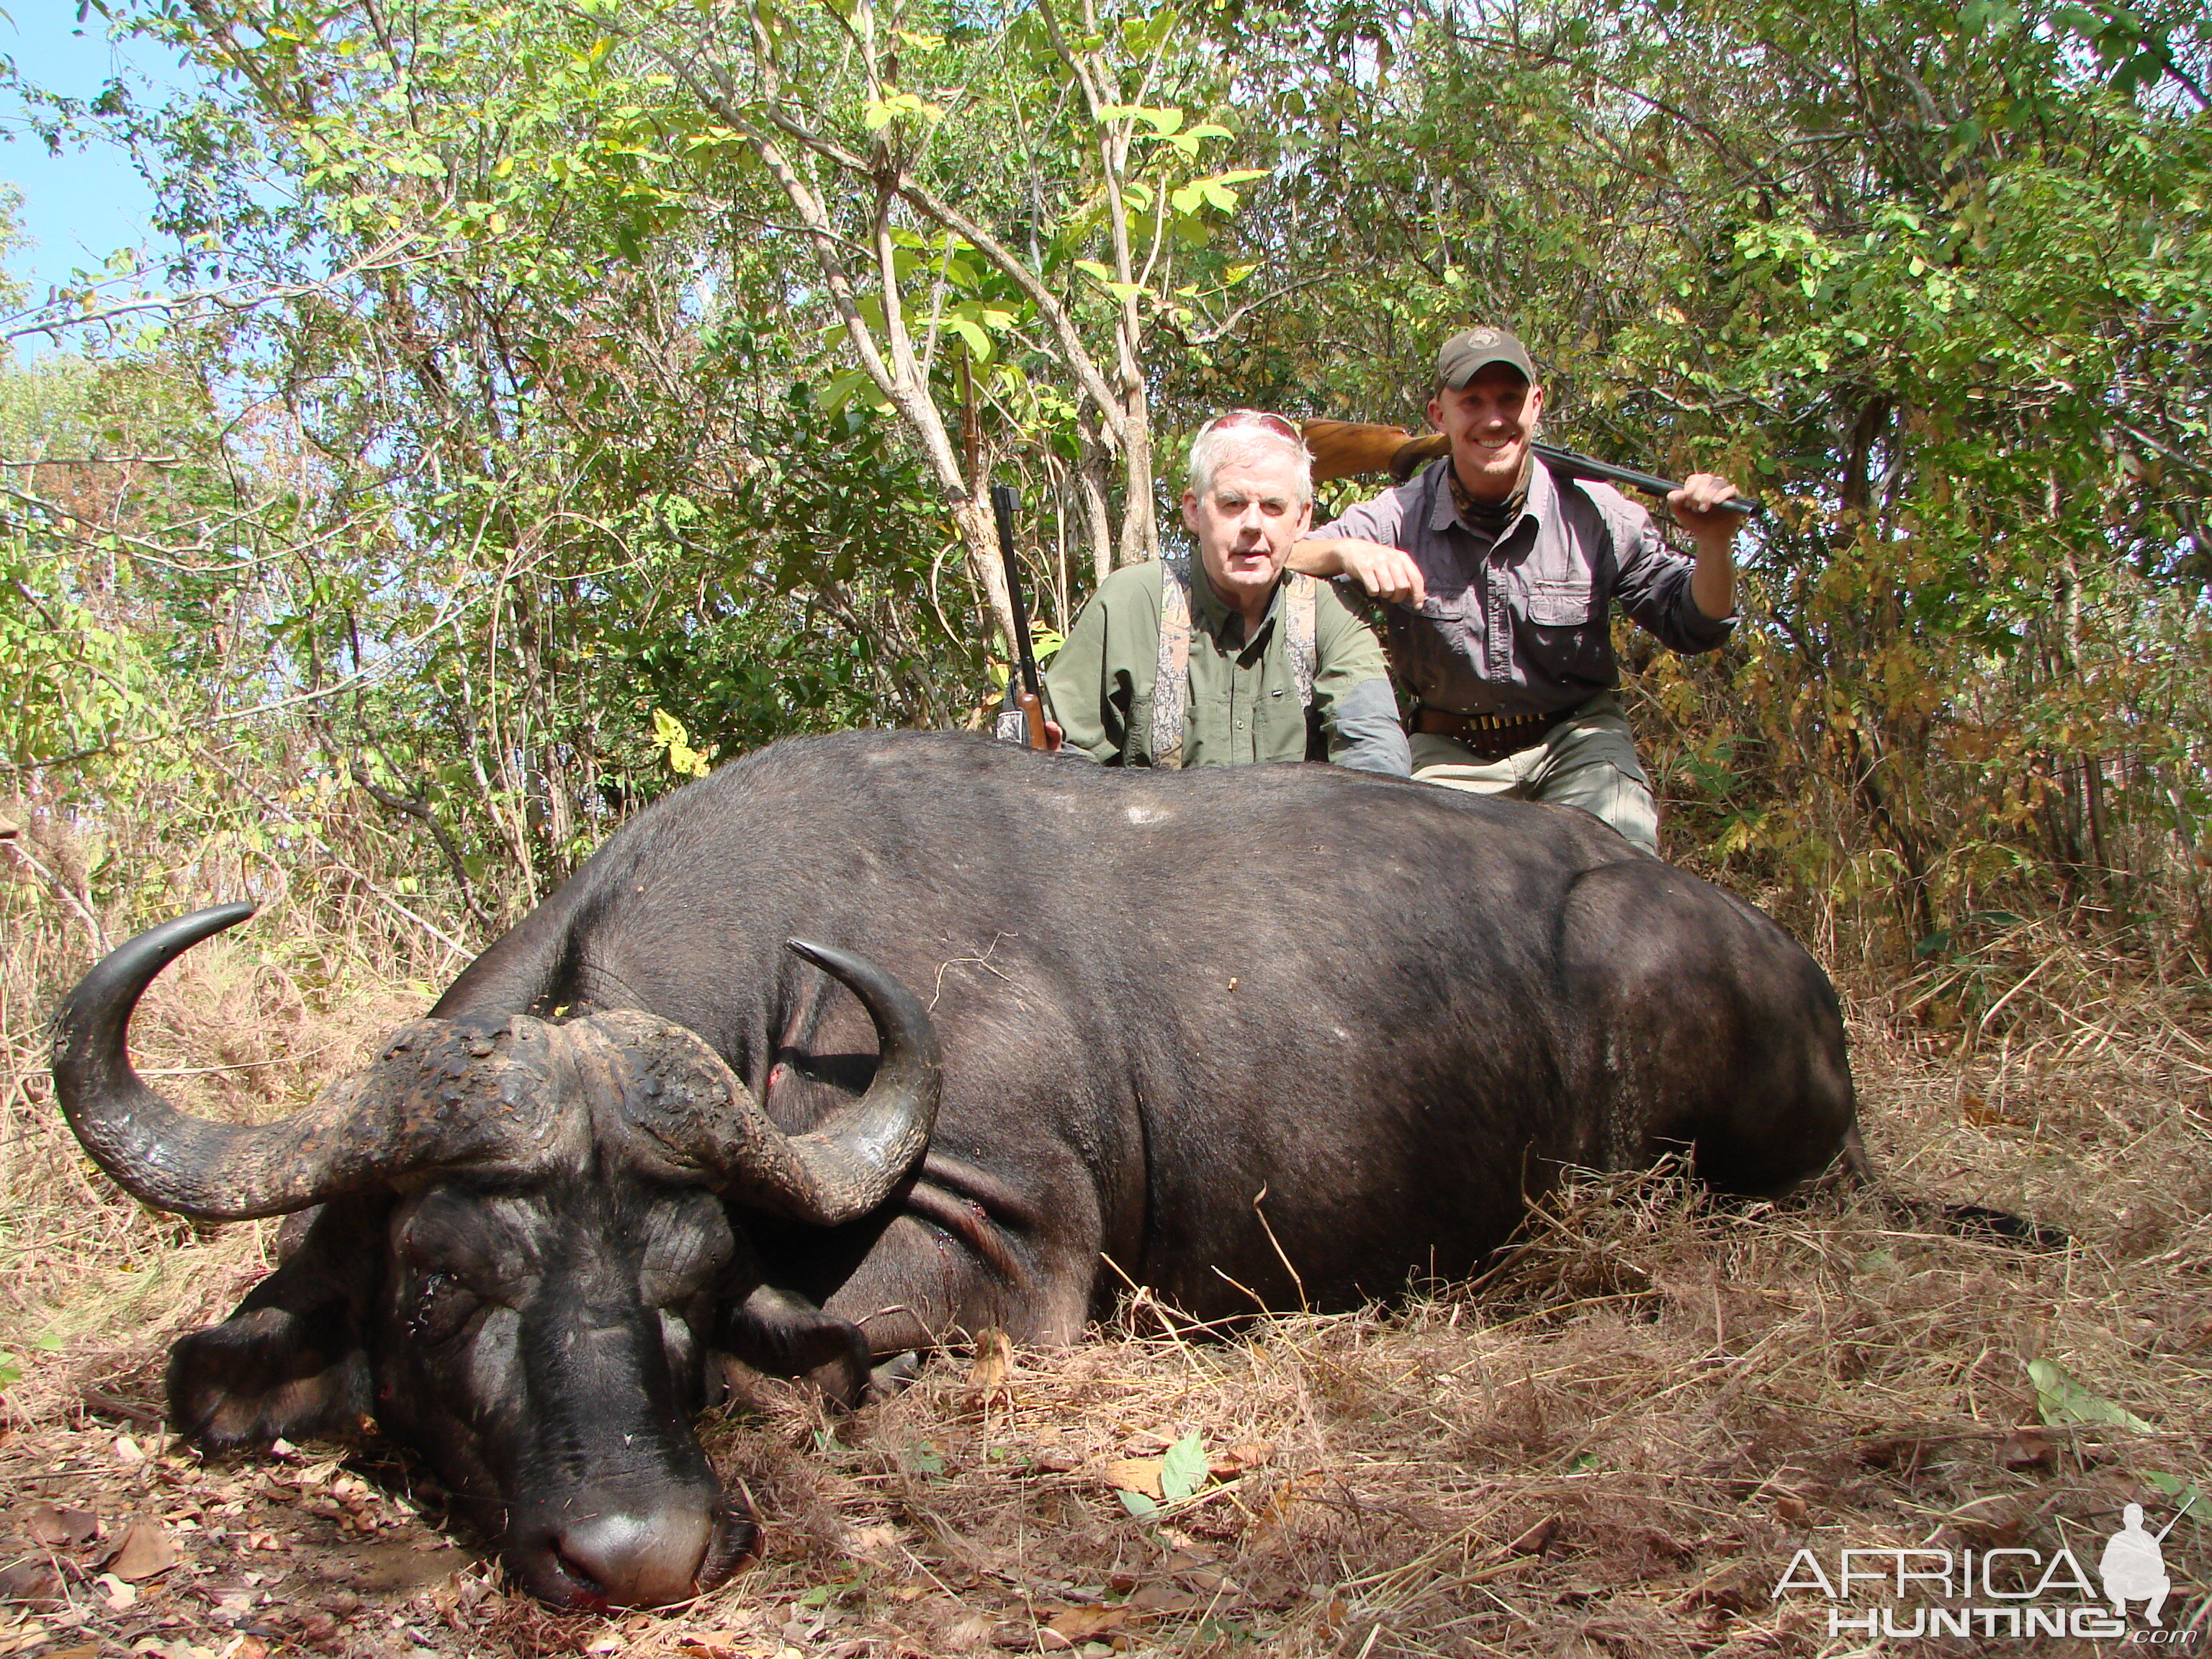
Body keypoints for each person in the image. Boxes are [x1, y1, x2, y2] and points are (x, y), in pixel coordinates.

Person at [1289, 325, 1746, 855]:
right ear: (1439, 415)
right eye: (1472, 402)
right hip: (1449, 751)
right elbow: (1281, 554)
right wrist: (1345, 552)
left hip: (1577, 744)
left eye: (1509, 400)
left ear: (1536, 404)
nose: (1493, 419)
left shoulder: (1599, 511)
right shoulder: (1398, 513)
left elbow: (1696, 624)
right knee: (1414, 890)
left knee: (1622, 885)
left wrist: (1714, 544)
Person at [1033, 410, 1410, 775]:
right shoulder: (1131, 602)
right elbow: (1064, 759)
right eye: (1233, 504)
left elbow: (1375, 752)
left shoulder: (1332, 613)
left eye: (1274, 506)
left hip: (1297, 837)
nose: (1253, 525)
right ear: (1194, 511)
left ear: (1303, 518)